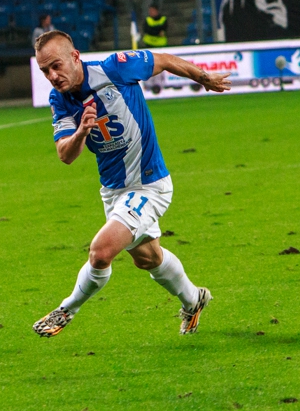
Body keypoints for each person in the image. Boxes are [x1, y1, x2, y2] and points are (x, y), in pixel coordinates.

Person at [32, 30, 231, 337]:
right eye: (45, 70)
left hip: (149, 185)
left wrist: (203, 78)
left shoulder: (114, 68)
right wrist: (81, 133)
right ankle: (194, 300)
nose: (52, 75)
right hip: (113, 191)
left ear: (75, 57)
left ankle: (66, 309)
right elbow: (65, 155)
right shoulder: (59, 99)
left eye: (56, 66)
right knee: (149, 259)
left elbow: (163, 60)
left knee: (100, 252)